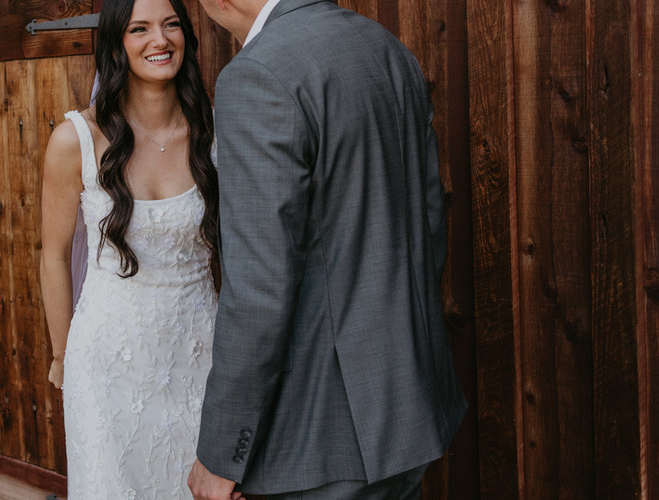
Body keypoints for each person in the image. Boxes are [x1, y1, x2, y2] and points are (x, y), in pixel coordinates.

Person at [188, 0, 468, 499]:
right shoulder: (384, 46)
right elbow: (428, 221)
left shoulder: (255, 75)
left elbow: (258, 291)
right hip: (409, 403)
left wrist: (220, 452)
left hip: (318, 438)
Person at [38, 0, 220, 496]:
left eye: (171, 25)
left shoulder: (215, 134)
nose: (159, 41)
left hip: (198, 357)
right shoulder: (75, 139)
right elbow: (53, 256)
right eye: (140, 29)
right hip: (105, 368)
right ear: (117, 42)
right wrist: (61, 354)